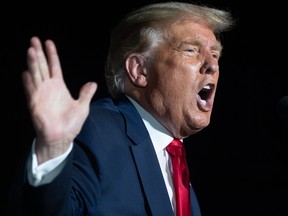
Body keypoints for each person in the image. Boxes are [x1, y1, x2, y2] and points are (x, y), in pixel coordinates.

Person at [7, 1, 235, 215]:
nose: (212, 65)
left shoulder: (175, 158)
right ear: (139, 70)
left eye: (215, 54)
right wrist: (53, 151)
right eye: (190, 50)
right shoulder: (96, 130)